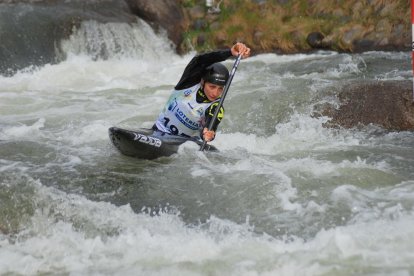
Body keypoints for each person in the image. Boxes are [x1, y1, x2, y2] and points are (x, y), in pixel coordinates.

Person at [153, 42, 251, 142]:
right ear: (203, 82)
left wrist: (208, 133)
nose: (215, 93)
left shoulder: (216, 107)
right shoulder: (187, 83)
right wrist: (229, 52)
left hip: (182, 145)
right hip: (157, 131)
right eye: (212, 86)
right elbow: (199, 60)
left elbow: (210, 125)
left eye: (220, 88)